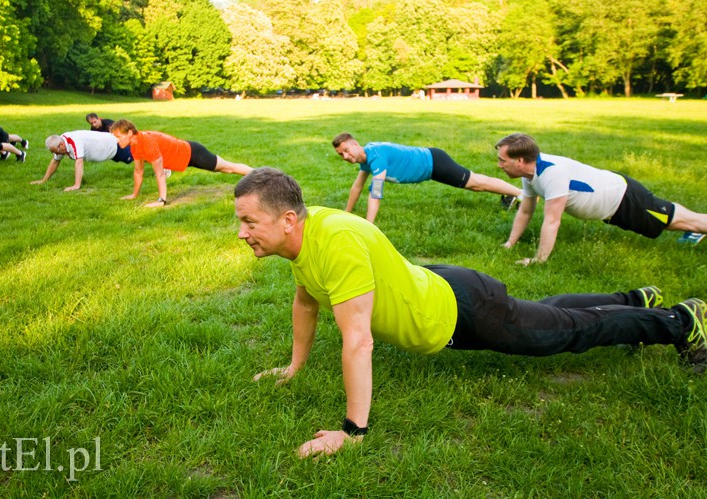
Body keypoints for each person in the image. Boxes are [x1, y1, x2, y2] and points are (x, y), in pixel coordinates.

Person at [233, 167, 706, 458]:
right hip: (447, 289)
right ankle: (635, 300)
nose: (242, 233)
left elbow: (358, 340)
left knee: (562, 332)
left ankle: (682, 321)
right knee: (542, 313)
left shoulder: (334, 241)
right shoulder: (306, 239)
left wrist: (352, 432)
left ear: (288, 219)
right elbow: (306, 301)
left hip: (462, 310)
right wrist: (294, 367)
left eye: (249, 222)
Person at [496, 133, 707, 265]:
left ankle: (697, 227)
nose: (500, 165)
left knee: (673, 219)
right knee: (668, 220)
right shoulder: (530, 174)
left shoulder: (551, 173)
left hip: (623, 198)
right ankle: (694, 229)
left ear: (521, 160)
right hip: (613, 204)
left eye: (502, 160)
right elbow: (526, 210)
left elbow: (552, 221)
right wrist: (510, 243)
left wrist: (538, 260)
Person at [332, 132, 521, 224]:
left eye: (347, 151)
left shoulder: (376, 156)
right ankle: (516, 195)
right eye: (341, 155)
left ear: (356, 144)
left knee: (476, 183)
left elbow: (376, 192)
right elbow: (357, 187)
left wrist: (369, 226)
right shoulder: (366, 157)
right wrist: (346, 214)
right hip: (429, 167)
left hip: (433, 162)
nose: (346, 157)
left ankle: (521, 193)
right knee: (476, 184)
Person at [111, 118, 253, 208]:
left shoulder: (147, 142)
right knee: (226, 168)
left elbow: (160, 173)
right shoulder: (135, 145)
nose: (117, 140)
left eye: (118, 136)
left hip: (193, 153)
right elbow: (138, 171)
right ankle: (261, 174)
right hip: (185, 156)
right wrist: (134, 195)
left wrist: (161, 200)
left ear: (130, 133)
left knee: (228, 168)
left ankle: (261, 174)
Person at [31, 131, 134, 191]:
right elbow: (55, 161)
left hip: (114, 145)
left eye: (56, 151)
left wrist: (76, 185)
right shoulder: (60, 144)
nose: (56, 154)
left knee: (138, 155)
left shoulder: (74, 141)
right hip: (108, 150)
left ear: (61, 145)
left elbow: (79, 164)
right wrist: (44, 180)